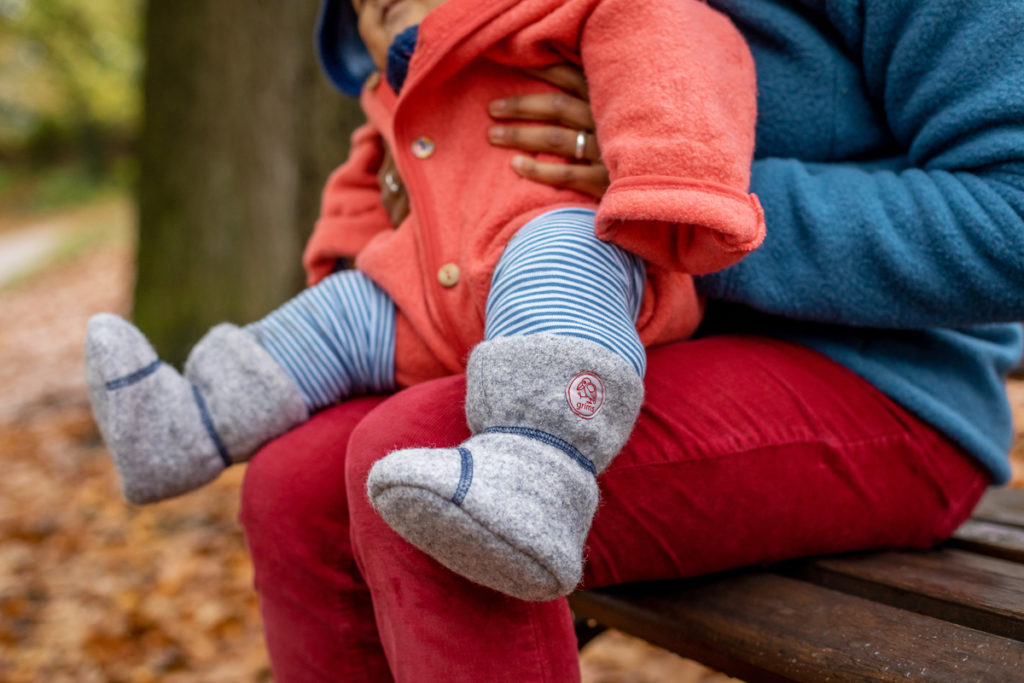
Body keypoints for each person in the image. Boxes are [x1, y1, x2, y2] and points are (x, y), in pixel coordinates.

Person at [238, 0, 1024, 680]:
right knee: (291, 481)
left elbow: (1010, 222)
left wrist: (676, 189)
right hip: (624, 334)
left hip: (887, 385)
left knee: (433, 467)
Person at [84, 0, 764, 604]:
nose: (364, 3)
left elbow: (673, 50)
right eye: (354, 8)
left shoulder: (562, 12)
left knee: (554, 257)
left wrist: (674, 186)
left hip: (567, 261)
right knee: (339, 312)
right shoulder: (391, 95)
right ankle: (187, 422)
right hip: (427, 299)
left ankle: (535, 476)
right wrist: (346, 258)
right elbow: (358, 190)